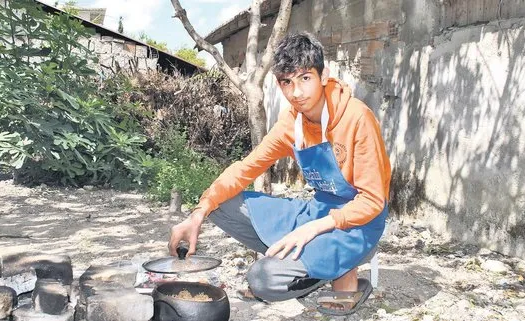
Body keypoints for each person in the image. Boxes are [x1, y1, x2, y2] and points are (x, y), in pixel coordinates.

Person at [168, 32, 391, 316]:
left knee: (263, 279)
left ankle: (341, 271)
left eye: (305, 79)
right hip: (319, 211)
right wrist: (197, 214)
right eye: (287, 82)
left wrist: (312, 229)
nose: (296, 93)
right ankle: (303, 263)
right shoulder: (291, 123)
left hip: (360, 223)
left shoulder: (357, 118)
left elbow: (373, 201)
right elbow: (246, 167)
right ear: (279, 83)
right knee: (220, 203)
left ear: (323, 76)